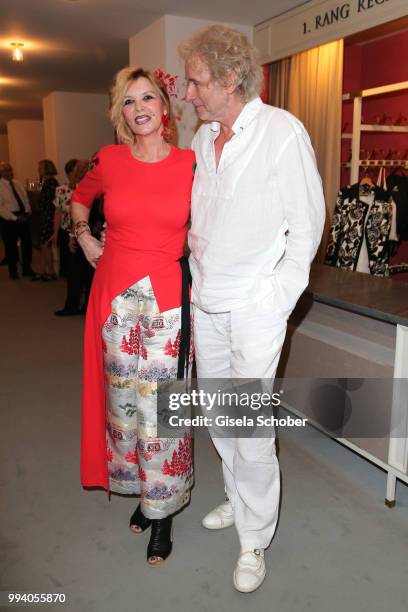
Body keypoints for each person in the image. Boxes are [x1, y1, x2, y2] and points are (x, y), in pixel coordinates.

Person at [179, 25, 325, 592]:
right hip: (207, 301)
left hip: (254, 307)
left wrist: (275, 300)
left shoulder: (281, 132)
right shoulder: (202, 139)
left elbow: (307, 226)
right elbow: (202, 224)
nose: (188, 94)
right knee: (218, 416)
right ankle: (237, 501)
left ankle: (254, 538)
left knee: (251, 427)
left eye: (196, 82)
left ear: (230, 77)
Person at [71, 67, 195, 566]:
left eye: (147, 97)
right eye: (128, 101)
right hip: (114, 300)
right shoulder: (110, 160)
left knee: (163, 409)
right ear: (119, 113)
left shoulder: (191, 164)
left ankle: (163, 511)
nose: (139, 107)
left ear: (165, 107)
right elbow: (79, 198)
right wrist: (83, 236)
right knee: (123, 406)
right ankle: (143, 491)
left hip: (166, 298)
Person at [54, 160, 95, 316]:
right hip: (89, 233)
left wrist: (72, 236)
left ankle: (74, 306)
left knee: (77, 273)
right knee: (86, 273)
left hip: (84, 234)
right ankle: (84, 307)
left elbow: (77, 217)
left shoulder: (84, 188)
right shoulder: (94, 187)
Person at [0, 161, 34, 279]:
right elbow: (1, 208)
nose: (10, 172)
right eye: (7, 170)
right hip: (9, 219)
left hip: (23, 216)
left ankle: (26, 268)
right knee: (11, 246)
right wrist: (14, 217)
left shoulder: (17, 183)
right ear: (1, 173)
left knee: (27, 244)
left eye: (11, 169)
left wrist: (27, 212)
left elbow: (25, 198)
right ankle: (13, 271)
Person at [32, 159, 59, 281]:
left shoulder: (51, 182)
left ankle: (49, 271)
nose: (38, 170)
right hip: (45, 215)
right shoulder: (48, 182)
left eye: (40, 167)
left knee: (45, 244)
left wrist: (37, 197)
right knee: (44, 245)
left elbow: (48, 202)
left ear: (46, 168)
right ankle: (46, 270)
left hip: (48, 216)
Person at [52, 158, 78, 279]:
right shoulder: (60, 190)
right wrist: (55, 233)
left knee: (78, 265)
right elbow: (58, 212)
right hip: (65, 230)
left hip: (80, 232)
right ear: (68, 174)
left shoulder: (85, 189)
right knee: (67, 265)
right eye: (74, 172)